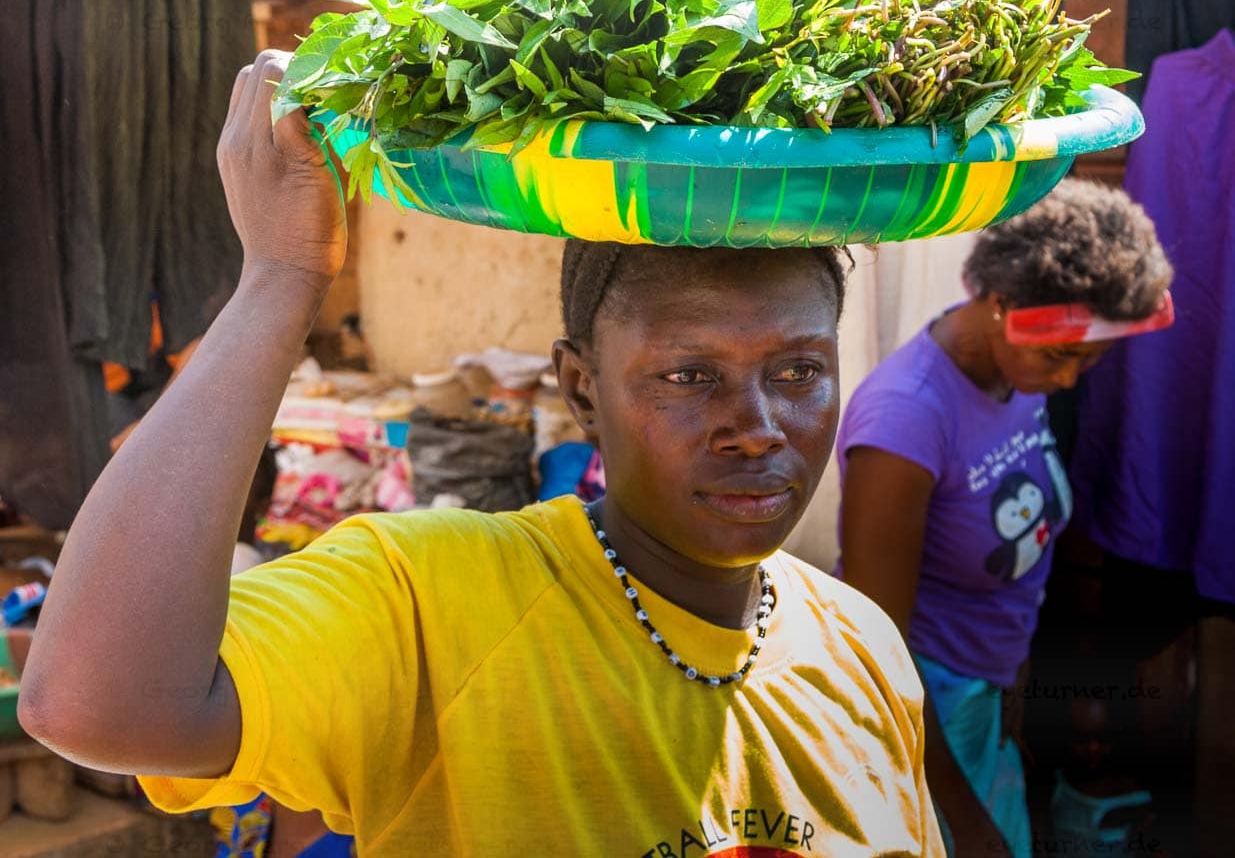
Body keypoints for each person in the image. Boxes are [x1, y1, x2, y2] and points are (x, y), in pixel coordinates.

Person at [18, 50, 944, 856]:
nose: (756, 425)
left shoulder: (861, 646)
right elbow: (94, 702)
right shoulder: (435, 601)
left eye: (797, 372)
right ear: (580, 389)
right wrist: (282, 279)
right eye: (688, 377)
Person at [834, 179, 1174, 858]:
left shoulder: (1020, 373)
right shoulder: (905, 421)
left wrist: (1009, 678)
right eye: (1059, 356)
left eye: (1090, 359)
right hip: (922, 711)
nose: (1070, 379)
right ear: (998, 305)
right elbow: (879, 656)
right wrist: (963, 818)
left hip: (985, 692)